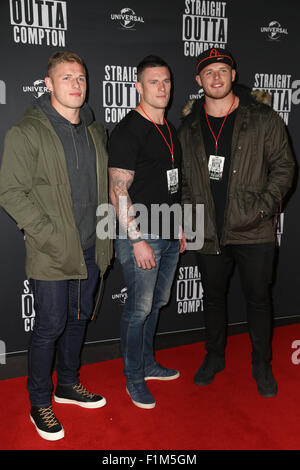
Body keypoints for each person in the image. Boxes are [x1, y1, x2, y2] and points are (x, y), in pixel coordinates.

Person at [0, 51, 112, 440]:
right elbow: (11, 193)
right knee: (49, 326)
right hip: (51, 251)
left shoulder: (96, 131)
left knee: (78, 320)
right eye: (66, 78)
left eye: (80, 77)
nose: (76, 85)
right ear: (48, 84)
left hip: (90, 248)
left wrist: (106, 232)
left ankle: (67, 384)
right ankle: (39, 402)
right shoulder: (27, 132)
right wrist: (47, 234)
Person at [177, 47, 294, 397]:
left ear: (233, 75)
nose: (216, 77)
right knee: (213, 298)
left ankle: (261, 363)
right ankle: (214, 357)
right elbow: (181, 181)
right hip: (207, 229)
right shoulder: (188, 127)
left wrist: (261, 209)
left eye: (222, 70)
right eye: (209, 72)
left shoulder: (262, 118)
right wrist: (189, 215)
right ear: (199, 81)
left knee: (258, 299)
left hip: (253, 229)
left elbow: (285, 168)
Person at [108, 55, 185, 409]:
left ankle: (148, 364)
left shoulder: (169, 129)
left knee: (156, 304)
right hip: (140, 235)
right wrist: (137, 240)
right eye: (154, 82)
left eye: (166, 81)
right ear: (138, 87)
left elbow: (171, 185)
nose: (162, 88)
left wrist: (180, 225)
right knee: (138, 310)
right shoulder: (129, 129)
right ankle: (133, 377)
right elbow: (117, 191)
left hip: (168, 233)